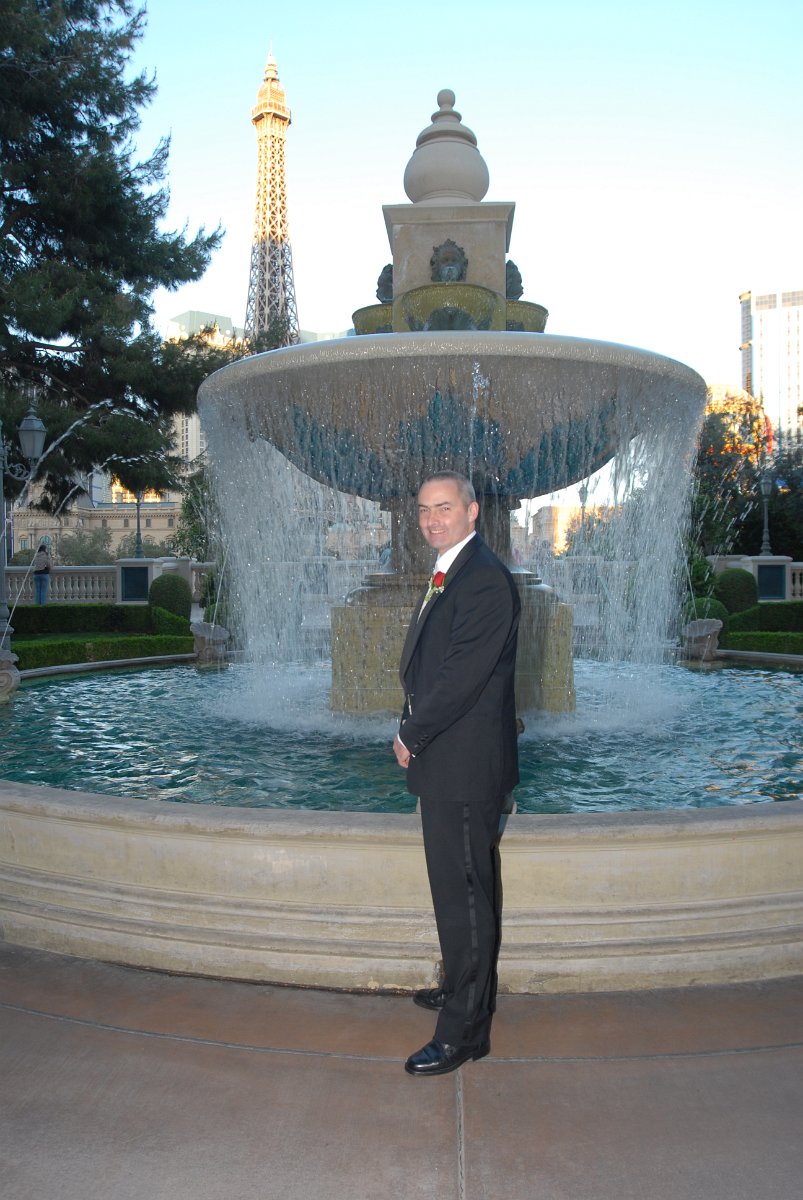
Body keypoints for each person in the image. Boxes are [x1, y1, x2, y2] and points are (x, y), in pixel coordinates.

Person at [394, 471, 520, 1077]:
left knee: (465, 896)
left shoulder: (484, 578)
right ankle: (463, 987)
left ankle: (464, 1033)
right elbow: (432, 665)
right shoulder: (453, 569)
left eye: (443, 507)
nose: (431, 519)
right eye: (424, 509)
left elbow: (460, 678)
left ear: (472, 511)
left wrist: (410, 734)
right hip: (448, 759)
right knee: (457, 888)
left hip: (463, 763)